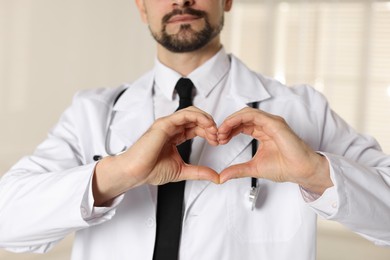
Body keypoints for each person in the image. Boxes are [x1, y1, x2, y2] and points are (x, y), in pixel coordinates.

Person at [0, 0, 389, 259]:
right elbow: (8, 223)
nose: (180, 0)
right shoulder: (94, 112)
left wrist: (316, 173)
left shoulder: (302, 109)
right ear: (141, 5)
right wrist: (118, 173)